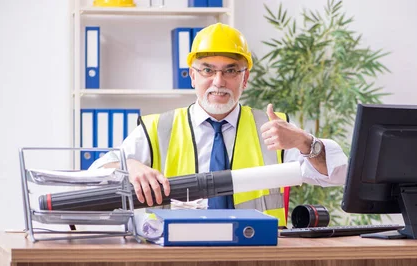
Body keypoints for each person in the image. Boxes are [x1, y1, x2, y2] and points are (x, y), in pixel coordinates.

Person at [91, 22, 348, 227]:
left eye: (230, 70)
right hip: (176, 251)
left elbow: (338, 174)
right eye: (207, 70)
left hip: (260, 254)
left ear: (244, 78)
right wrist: (131, 166)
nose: (218, 81)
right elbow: (96, 174)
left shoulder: (274, 128)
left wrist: (306, 143)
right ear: (192, 76)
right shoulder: (158, 127)